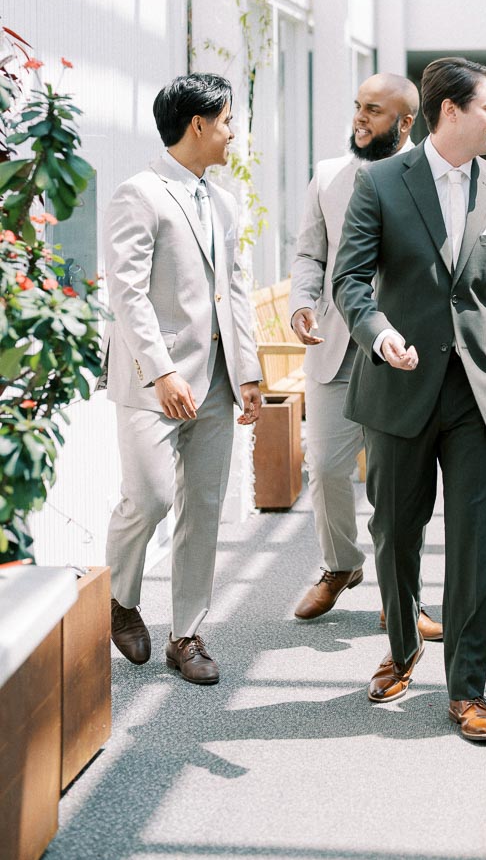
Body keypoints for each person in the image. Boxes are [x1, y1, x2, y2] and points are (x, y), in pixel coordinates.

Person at [332, 56, 486, 744]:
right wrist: (379, 332)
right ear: (449, 111)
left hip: (477, 394)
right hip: (396, 384)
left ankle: (469, 690)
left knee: (476, 542)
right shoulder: (381, 182)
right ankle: (402, 646)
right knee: (395, 532)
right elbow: (350, 279)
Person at [102, 74, 262, 685]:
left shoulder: (220, 200)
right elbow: (128, 294)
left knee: (204, 505)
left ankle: (187, 634)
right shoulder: (139, 193)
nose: (231, 134)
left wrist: (247, 373)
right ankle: (120, 599)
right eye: (226, 121)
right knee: (149, 497)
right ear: (198, 124)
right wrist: (163, 371)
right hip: (153, 380)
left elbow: (235, 292)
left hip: (219, 381)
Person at [289, 73, 441, 642]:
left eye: (373, 111)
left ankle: (402, 598)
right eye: (357, 106)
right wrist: (303, 301)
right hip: (333, 347)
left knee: (395, 485)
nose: (359, 119)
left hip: (400, 352)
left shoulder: (430, 176)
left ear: (406, 122)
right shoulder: (329, 176)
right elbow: (310, 252)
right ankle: (341, 564)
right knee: (326, 468)